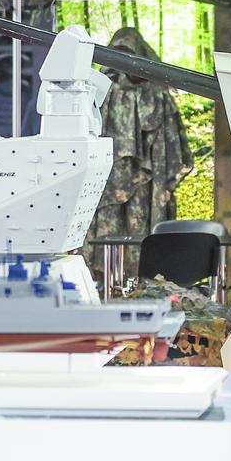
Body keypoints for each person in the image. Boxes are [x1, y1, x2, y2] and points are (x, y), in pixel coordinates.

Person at [84, 27, 192, 277]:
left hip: (147, 184)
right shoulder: (100, 93)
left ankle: (142, 281)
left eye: (130, 55)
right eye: (118, 54)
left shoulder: (157, 95)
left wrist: (166, 183)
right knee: (108, 232)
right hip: (106, 181)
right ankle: (106, 283)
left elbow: (172, 144)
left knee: (143, 230)